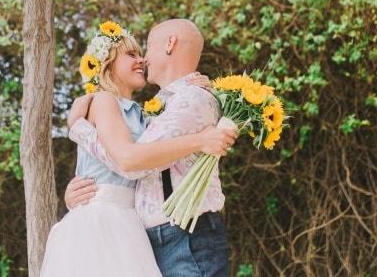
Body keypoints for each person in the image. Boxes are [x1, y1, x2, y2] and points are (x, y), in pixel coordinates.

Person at [41, 21, 236, 277]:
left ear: (170, 44)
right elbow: (128, 159)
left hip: (143, 228)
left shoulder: (153, 109)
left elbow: (135, 158)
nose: (142, 59)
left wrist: (80, 130)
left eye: (142, 51)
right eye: (131, 54)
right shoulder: (103, 100)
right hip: (109, 223)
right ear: (107, 64)